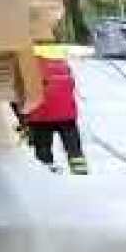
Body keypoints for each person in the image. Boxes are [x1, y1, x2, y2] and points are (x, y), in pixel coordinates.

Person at [26, 45, 87, 175]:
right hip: (67, 115)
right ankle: (81, 174)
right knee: (75, 151)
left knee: (43, 151)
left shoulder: (30, 64)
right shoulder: (62, 64)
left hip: (41, 116)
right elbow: (71, 86)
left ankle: (48, 176)